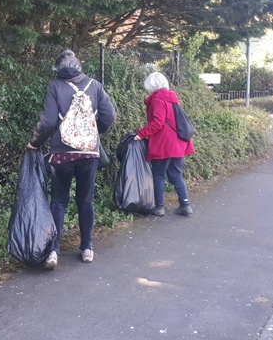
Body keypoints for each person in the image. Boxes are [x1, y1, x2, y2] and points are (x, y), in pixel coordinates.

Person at [27, 49, 116, 269]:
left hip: (62, 153)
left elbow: (47, 122)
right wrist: (95, 132)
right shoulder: (94, 85)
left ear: (58, 69)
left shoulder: (55, 86)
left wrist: (35, 143)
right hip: (89, 152)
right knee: (85, 200)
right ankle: (87, 248)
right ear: (79, 66)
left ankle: (54, 252)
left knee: (58, 200)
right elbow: (109, 116)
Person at [134, 72, 194, 217]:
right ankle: (185, 205)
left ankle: (159, 207)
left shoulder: (157, 100)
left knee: (159, 175)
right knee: (176, 175)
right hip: (179, 143)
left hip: (164, 143)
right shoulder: (173, 99)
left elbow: (158, 123)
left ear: (151, 85)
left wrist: (141, 134)